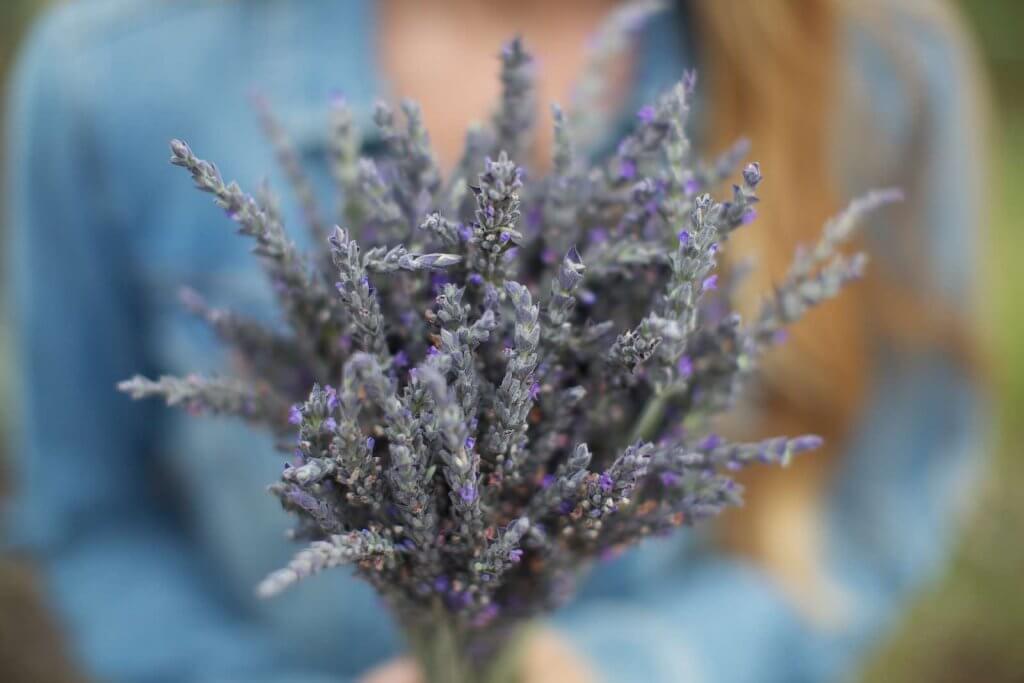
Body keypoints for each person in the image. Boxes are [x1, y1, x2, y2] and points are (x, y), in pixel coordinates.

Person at [5, 0, 988, 681]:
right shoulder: (116, 73)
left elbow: (878, 501)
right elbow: (90, 514)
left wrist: (647, 665)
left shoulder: (875, 56)